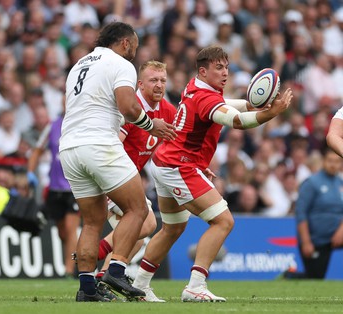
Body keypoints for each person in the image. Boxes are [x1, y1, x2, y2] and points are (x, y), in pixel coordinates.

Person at [132, 45, 292, 302]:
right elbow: (236, 121)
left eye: (227, 66)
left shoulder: (195, 86)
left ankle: (139, 285)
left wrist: (249, 104)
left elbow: (223, 105)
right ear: (204, 71)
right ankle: (195, 286)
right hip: (178, 166)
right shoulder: (207, 98)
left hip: (166, 162)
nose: (225, 72)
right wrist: (269, 113)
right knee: (223, 221)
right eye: (219, 67)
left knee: (172, 229)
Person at [58, 22, 176, 302]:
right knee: (137, 209)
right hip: (99, 143)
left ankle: (87, 289)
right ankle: (117, 269)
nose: (135, 51)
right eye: (134, 45)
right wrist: (151, 125)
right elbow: (128, 106)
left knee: (91, 221)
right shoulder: (120, 64)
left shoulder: (79, 65)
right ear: (125, 43)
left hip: (70, 146)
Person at [93, 60, 177, 301]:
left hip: (128, 180)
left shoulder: (167, 110)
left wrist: (198, 165)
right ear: (140, 84)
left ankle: (104, 280)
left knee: (137, 240)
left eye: (162, 80)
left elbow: (180, 141)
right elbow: (114, 143)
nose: (159, 85)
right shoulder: (132, 108)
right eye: (153, 80)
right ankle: (104, 247)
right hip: (112, 176)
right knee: (148, 223)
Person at [27, 97, 80, 279]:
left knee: (70, 228)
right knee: (62, 232)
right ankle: (76, 259)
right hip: (55, 187)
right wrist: (30, 173)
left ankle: (69, 270)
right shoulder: (52, 126)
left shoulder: (82, 124)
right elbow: (37, 151)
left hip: (75, 186)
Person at [283, 148, 343, 279]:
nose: (334, 165)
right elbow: (301, 213)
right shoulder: (312, 183)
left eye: (337, 161)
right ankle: (289, 276)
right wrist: (306, 242)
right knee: (315, 278)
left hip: (337, 235)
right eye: (330, 161)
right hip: (317, 240)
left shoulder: (340, 183)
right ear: (323, 161)